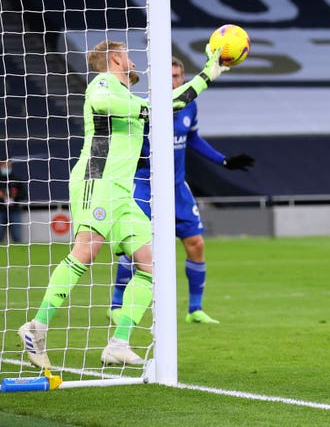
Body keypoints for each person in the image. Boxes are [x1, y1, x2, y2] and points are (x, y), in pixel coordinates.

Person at [18, 40, 228, 368]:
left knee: (151, 263)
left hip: (121, 191)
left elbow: (171, 102)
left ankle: (119, 343)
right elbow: (100, 100)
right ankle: (37, 328)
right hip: (96, 179)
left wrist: (208, 74)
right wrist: (139, 109)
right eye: (128, 57)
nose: (133, 63)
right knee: (86, 251)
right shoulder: (103, 83)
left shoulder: (129, 96)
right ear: (116, 58)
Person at [108, 56, 254, 325]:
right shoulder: (144, 108)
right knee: (137, 246)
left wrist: (224, 160)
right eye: (169, 77)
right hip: (145, 185)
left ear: (183, 78)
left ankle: (194, 309)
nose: (174, 81)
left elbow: (193, 139)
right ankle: (116, 304)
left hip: (176, 186)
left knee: (196, 243)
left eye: (177, 77)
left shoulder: (190, 107)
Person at [0, 159, 26, 243]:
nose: (7, 167)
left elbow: (23, 194)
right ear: (1, 165)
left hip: (14, 210)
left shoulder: (16, 179)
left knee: (17, 237)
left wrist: (15, 196)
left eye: (9, 165)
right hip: (0, 210)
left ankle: (20, 255)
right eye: (5, 165)